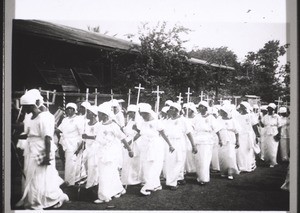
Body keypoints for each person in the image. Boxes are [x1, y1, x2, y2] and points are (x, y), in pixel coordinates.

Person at [16, 93, 69, 210]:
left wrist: (47, 155)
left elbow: (47, 138)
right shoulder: (30, 118)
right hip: (30, 150)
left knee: (39, 177)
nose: (23, 110)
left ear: (30, 105)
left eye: (24, 107)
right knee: (30, 176)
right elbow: (30, 134)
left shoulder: (43, 118)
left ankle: (51, 199)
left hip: (41, 151)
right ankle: (32, 200)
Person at [94, 103, 133, 204]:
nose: (98, 116)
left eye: (100, 114)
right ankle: (118, 189)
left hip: (110, 153)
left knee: (105, 174)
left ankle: (104, 196)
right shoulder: (98, 126)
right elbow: (97, 139)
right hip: (101, 152)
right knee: (110, 173)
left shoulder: (113, 125)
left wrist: (129, 150)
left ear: (105, 115)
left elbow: (122, 138)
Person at [133, 103, 175, 195]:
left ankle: (148, 187)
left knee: (154, 166)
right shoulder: (143, 123)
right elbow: (140, 133)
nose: (141, 116)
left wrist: (170, 145)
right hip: (145, 146)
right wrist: (131, 141)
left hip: (155, 147)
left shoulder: (157, 122)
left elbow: (164, 135)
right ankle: (156, 185)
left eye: (142, 114)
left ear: (147, 113)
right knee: (146, 166)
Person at [163, 102, 197, 190]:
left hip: (180, 142)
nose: (170, 110)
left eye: (172, 108)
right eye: (170, 108)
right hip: (170, 143)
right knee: (171, 162)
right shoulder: (168, 121)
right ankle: (173, 181)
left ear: (177, 110)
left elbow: (189, 133)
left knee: (179, 160)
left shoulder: (183, 120)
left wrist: (193, 145)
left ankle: (177, 179)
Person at [55, 103, 86, 186]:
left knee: (72, 164)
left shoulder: (79, 119)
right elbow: (59, 130)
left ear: (74, 110)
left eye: (70, 109)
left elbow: (82, 133)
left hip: (75, 144)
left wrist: (80, 146)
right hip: (66, 144)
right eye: (67, 109)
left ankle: (70, 183)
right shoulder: (65, 120)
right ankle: (71, 181)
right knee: (69, 163)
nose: (68, 110)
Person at [193, 101, 221, 185]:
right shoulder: (196, 117)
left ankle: (204, 178)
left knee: (205, 159)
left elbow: (217, 129)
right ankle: (199, 176)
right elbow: (191, 127)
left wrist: (220, 139)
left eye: (201, 106)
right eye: (199, 106)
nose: (200, 108)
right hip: (197, 139)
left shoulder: (211, 117)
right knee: (198, 159)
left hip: (207, 140)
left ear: (205, 108)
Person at [217, 104, 240, 180]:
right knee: (222, 155)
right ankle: (223, 171)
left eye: (222, 111)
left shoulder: (233, 120)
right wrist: (219, 139)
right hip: (222, 137)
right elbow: (217, 130)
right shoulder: (219, 120)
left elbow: (237, 132)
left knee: (230, 155)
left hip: (230, 138)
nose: (221, 112)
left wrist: (237, 141)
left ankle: (230, 172)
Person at [236, 101, 260, 172]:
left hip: (248, 135)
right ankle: (241, 166)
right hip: (240, 135)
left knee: (248, 150)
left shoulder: (251, 116)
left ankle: (248, 165)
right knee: (240, 151)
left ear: (246, 107)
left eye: (242, 106)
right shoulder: (238, 116)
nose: (241, 107)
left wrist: (257, 135)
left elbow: (254, 126)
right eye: (240, 106)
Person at [121, 104, 142, 187]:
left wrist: (130, 142)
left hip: (136, 142)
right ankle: (127, 179)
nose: (129, 114)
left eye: (131, 113)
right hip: (129, 140)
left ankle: (135, 179)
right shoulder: (130, 121)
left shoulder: (138, 121)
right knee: (127, 161)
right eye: (128, 112)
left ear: (135, 112)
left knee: (134, 161)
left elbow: (140, 133)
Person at [82, 105, 101, 189]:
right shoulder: (86, 123)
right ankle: (90, 181)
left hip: (95, 147)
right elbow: (84, 136)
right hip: (87, 147)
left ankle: (94, 183)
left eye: (88, 112)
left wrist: (87, 136)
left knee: (93, 165)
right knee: (86, 164)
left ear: (93, 114)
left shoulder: (98, 125)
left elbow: (98, 137)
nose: (87, 114)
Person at [259, 103, 281, 167]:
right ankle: (267, 160)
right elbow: (263, 125)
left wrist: (278, 134)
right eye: (268, 108)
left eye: (270, 108)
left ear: (273, 109)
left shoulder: (277, 116)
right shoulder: (265, 116)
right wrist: (260, 120)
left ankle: (273, 162)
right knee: (266, 147)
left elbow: (279, 126)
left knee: (273, 147)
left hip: (274, 133)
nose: (269, 110)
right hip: (266, 133)